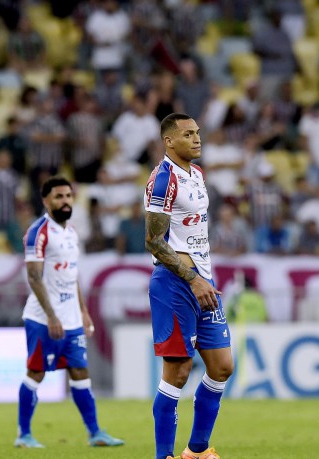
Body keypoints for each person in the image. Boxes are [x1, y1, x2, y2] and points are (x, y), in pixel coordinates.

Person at [145, 113, 233, 459]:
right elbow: (154, 241)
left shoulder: (196, 174)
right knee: (178, 372)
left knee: (222, 365)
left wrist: (203, 277)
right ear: (169, 141)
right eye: (187, 134)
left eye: (198, 132)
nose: (197, 139)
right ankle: (163, 454)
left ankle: (195, 451)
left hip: (202, 281)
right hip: (176, 282)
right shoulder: (163, 180)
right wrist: (193, 278)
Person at [15, 177, 123, 449]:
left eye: (68, 196)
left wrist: (83, 311)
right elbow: (33, 276)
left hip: (72, 318)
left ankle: (95, 432)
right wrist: (52, 315)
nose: (65, 201)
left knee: (80, 371)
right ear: (46, 201)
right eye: (58, 197)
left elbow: (73, 276)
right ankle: (24, 434)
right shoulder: (38, 232)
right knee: (36, 373)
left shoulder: (72, 232)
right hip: (42, 317)